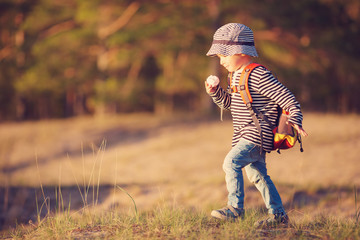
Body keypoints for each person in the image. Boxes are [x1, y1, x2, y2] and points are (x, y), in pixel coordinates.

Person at [205, 23, 308, 226]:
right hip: (242, 135)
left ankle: (235, 208)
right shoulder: (234, 76)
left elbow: (287, 98)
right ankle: (278, 216)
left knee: (230, 162)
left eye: (224, 55)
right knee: (258, 176)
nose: (222, 61)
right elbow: (230, 105)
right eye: (219, 57)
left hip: (256, 134)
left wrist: (295, 118)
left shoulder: (258, 75)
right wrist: (215, 92)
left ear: (240, 51)